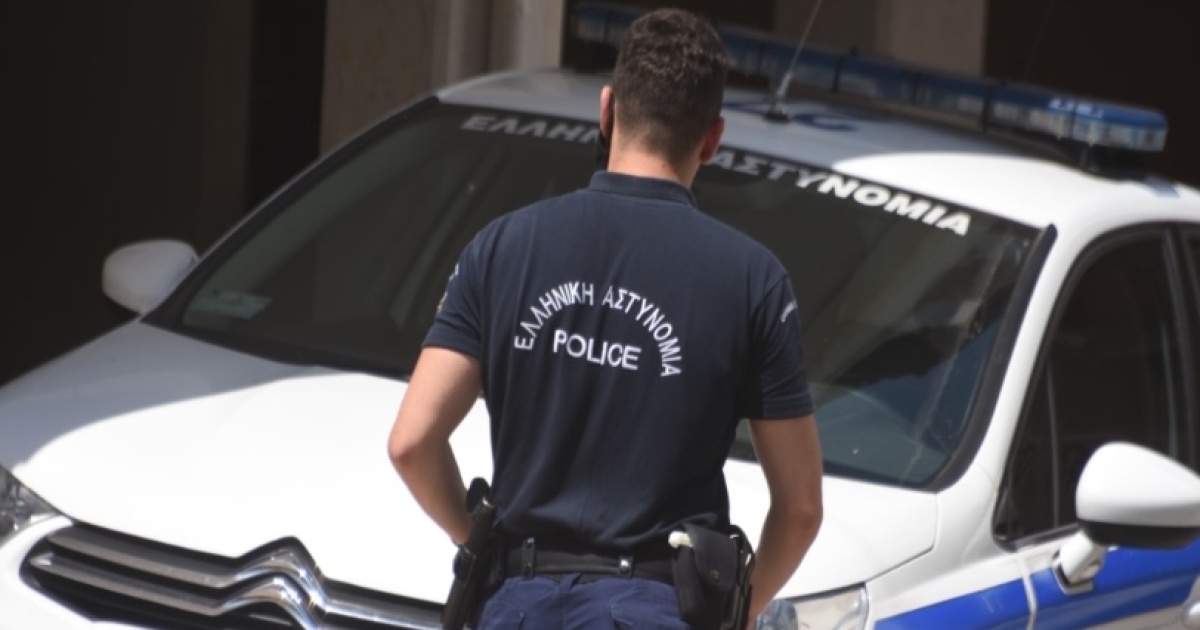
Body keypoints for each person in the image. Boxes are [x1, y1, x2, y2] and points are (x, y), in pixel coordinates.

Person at [388, 8, 823, 628]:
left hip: (516, 604)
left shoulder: (503, 245)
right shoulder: (754, 280)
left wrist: (484, 549)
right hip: (655, 610)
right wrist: (735, 611)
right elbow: (801, 508)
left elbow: (411, 443)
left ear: (607, 109)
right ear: (712, 139)